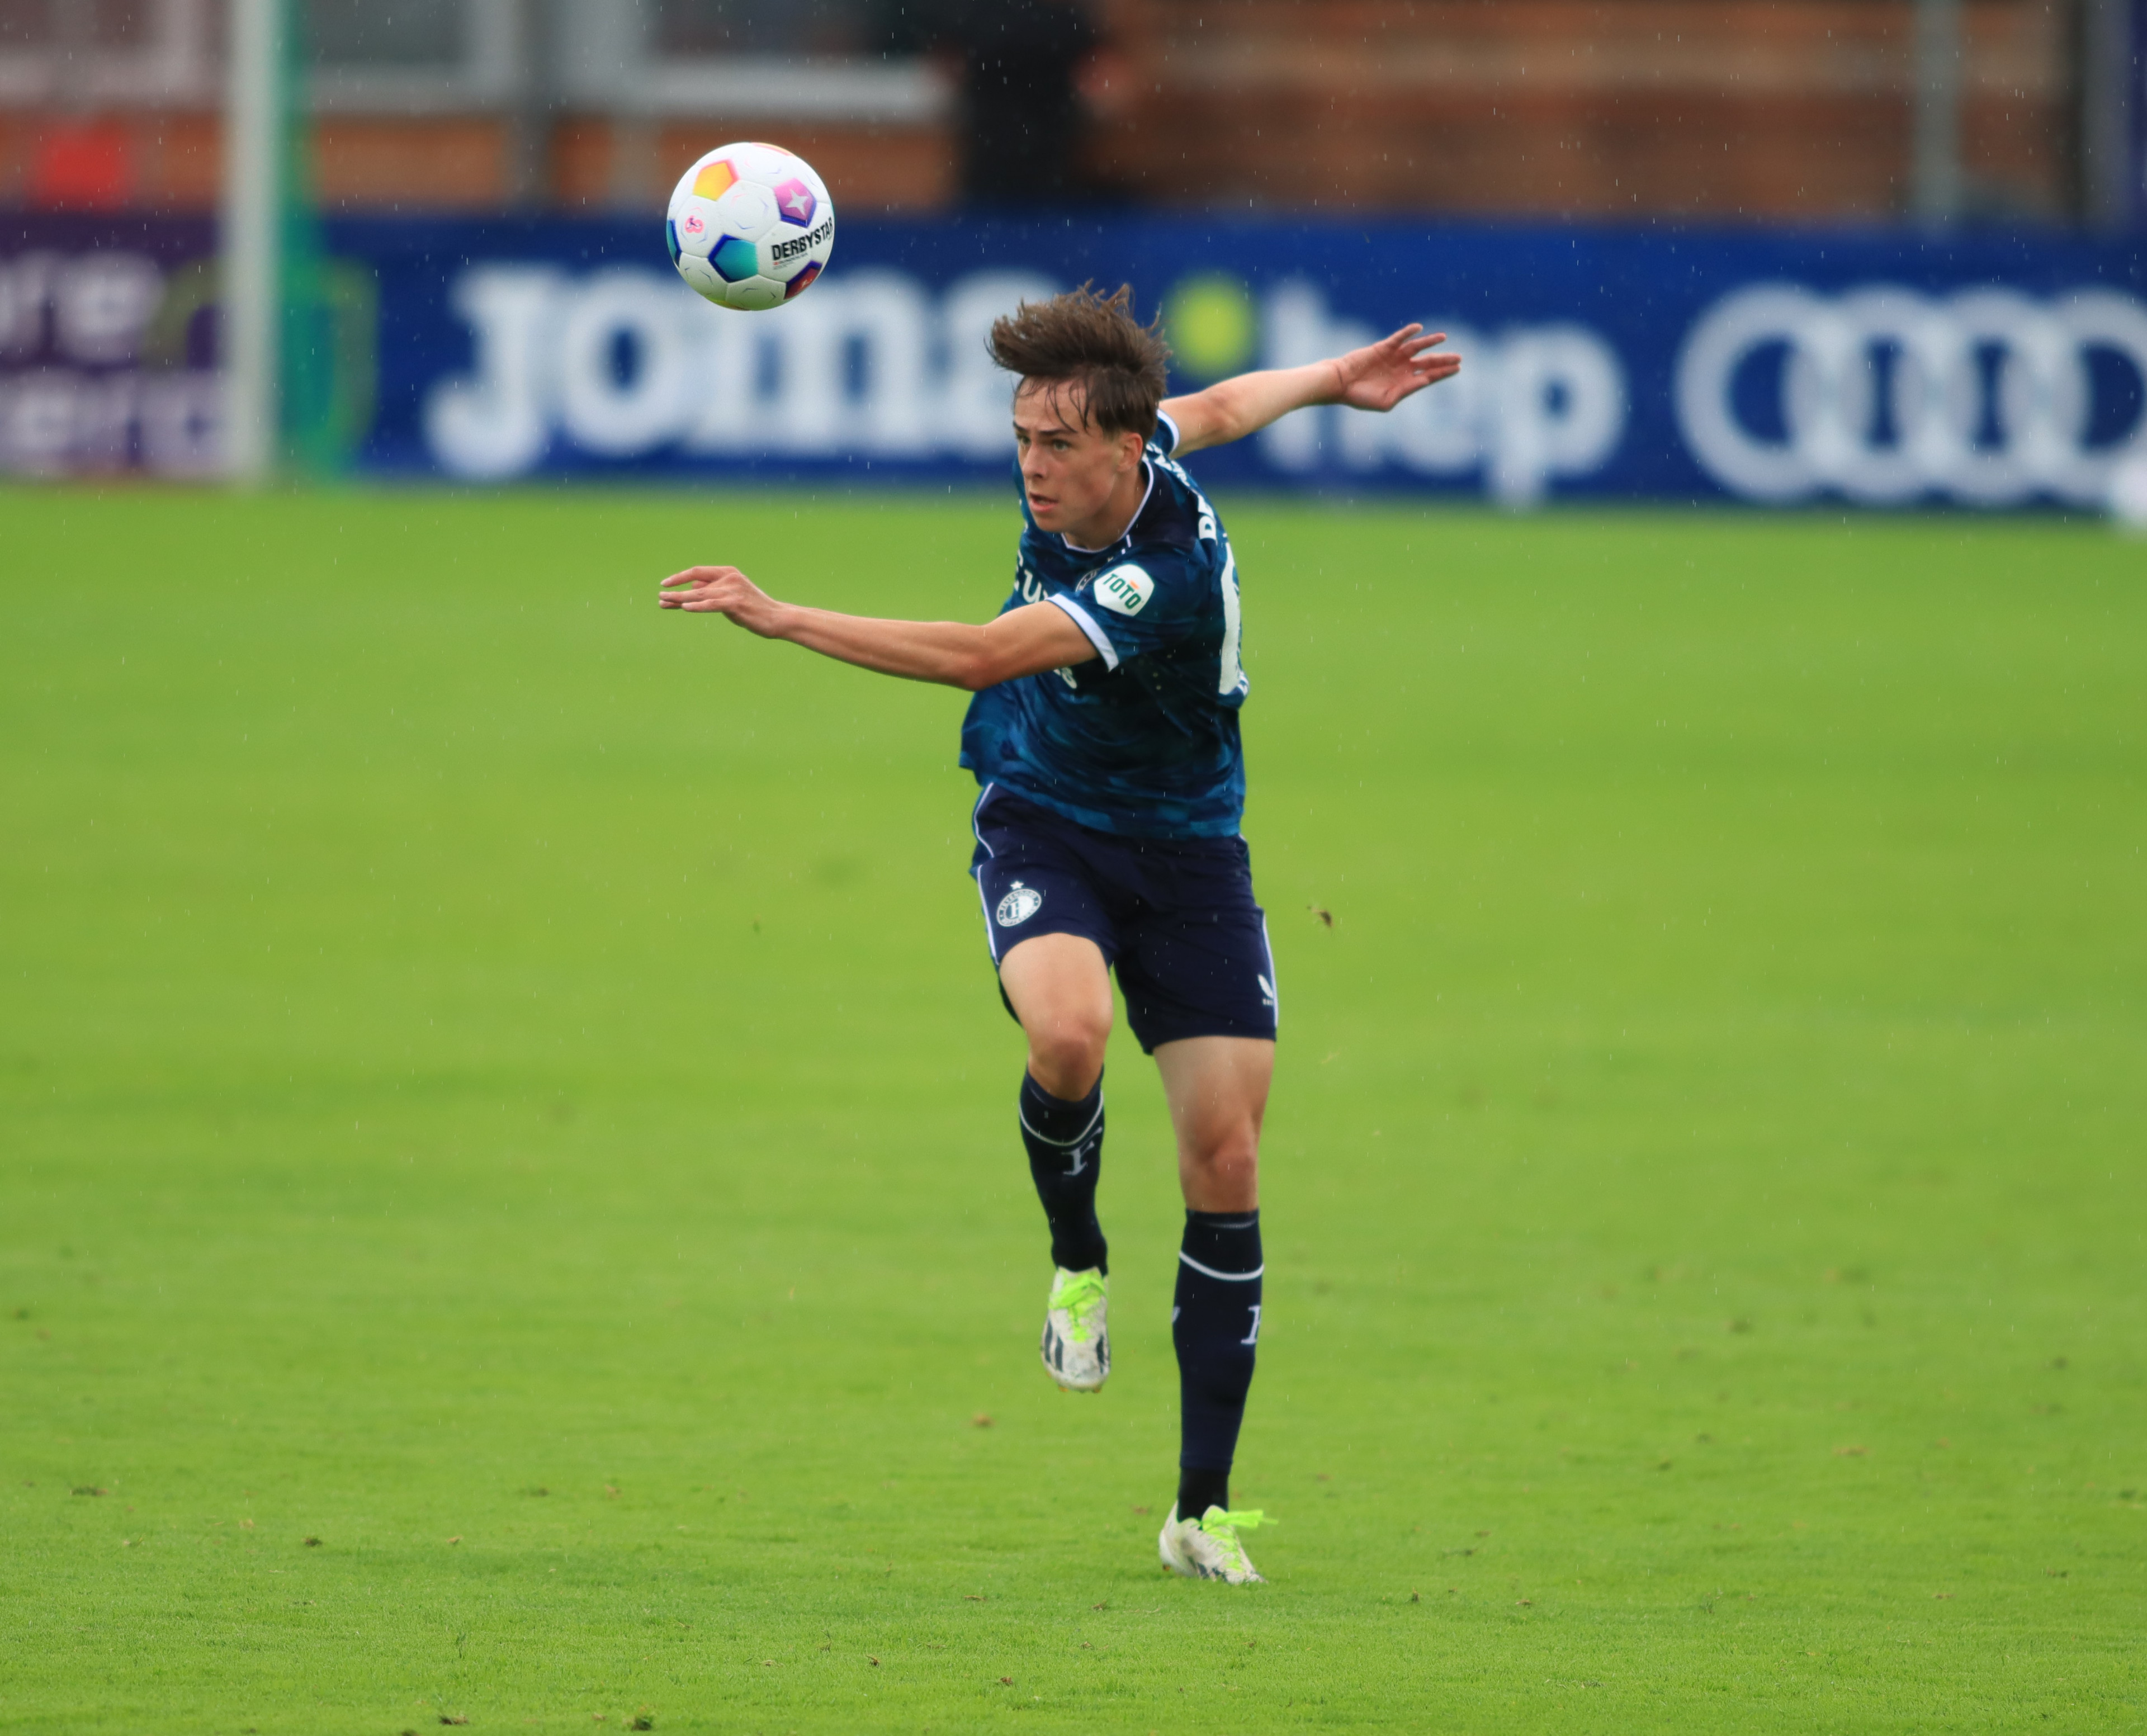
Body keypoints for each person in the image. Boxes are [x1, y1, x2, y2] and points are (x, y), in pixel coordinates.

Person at [660, 285, 1456, 1584]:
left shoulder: (1162, 570)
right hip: (1045, 821)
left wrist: (781, 612)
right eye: (1022, 438)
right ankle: (1078, 1259)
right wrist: (1332, 376)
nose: (1032, 466)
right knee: (1070, 1032)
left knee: (1226, 1156)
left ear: (1122, 449)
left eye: (1058, 444)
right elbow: (1225, 403)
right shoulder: (1136, 449)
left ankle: (1200, 1509)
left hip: (1192, 854)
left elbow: (982, 654)